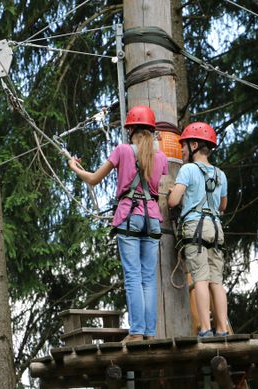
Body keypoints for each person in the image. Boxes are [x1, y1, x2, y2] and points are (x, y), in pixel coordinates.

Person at [68, 105, 168, 342]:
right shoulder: (160, 156)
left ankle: (136, 332)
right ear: (152, 131)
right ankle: (149, 333)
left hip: (129, 216)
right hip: (152, 218)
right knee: (148, 278)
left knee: (133, 275)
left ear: (130, 129)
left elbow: (93, 179)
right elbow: (159, 182)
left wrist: (73, 166)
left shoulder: (122, 151)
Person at [167, 122, 229, 338]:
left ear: (194, 144)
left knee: (200, 278)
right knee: (216, 281)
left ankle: (205, 328)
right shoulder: (220, 174)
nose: (182, 150)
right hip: (216, 228)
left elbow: (174, 200)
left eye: (184, 145)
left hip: (196, 227)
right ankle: (222, 329)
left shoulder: (188, 169)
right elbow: (223, 206)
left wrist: (173, 193)